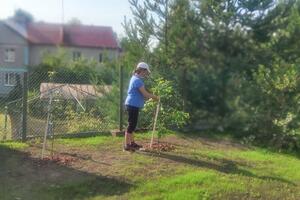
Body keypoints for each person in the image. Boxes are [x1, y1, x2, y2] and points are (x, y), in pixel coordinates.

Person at [124, 62, 159, 151]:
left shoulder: (135, 78)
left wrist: (151, 96)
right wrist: (156, 97)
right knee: (131, 125)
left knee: (133, 124)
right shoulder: (137, 80)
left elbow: (143, 94)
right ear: (141, 70)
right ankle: (127, 145)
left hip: (132, 104)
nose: (146, 74)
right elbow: (145, 94)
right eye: (146, 72)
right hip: (132, 104)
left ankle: (132, 143)